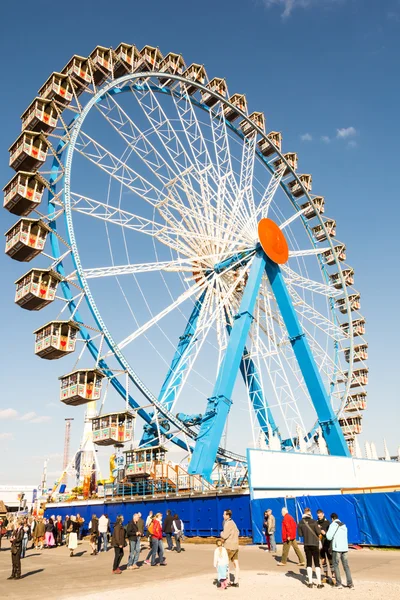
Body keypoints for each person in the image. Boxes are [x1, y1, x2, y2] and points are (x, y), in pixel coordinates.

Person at [326, 513, 354, 590]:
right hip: (344, 548)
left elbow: (328, 537)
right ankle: (350, 583)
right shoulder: (344, 525)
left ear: (332, 518)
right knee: (346, 566)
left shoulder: (333, 525)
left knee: (336, 565)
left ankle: (339, 583)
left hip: (337, 548)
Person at [298, 508, 324, 589]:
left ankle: (309, 582)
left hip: (306, 544)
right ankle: (319, 583)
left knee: (309, 562)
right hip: (314, 544)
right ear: (310, 513)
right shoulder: (314, 521)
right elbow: (319, 532)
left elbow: (300, 534)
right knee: (317, 563)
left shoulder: (300, 522)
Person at [220, 509, 240, 588]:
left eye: (224, 514)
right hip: (235, 546)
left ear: (227, 515)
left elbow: (224, 535)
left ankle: (227, 581)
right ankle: (236, 581)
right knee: (236, 563)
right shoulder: (233, 522)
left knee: (225, 564)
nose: (223, 515)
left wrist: (221, 533)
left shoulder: (227, 523)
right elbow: (238, 532)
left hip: (229, 546)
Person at [316, 509, 335, 585]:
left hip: (327, 544)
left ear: (323, 514)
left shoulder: (327, 523)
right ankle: (326, 576)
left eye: (320, 515)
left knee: (331, 560)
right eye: (318, 515)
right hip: (320, 545)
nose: (319, 516)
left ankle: (333, 576)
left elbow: (330, 534)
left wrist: (325, 533)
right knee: (323, 561)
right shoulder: (316, 522)